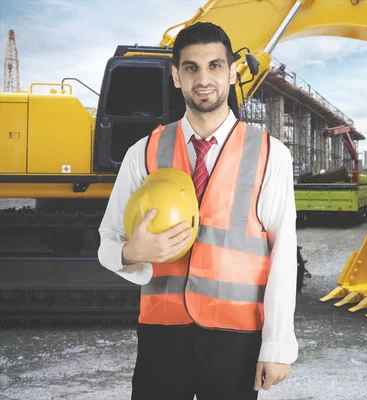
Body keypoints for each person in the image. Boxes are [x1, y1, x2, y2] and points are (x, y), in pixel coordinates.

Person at [98, 21, 298, 400]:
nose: (203, 78)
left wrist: (277, 347)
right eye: (191, 67)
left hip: (236, 337)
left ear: (231, 72)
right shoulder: (142, 152)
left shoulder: (272, 154)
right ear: (176, 76)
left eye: (214, 66)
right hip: (161, 334)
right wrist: (130, 253)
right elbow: (109, 238)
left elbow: (283, 254)